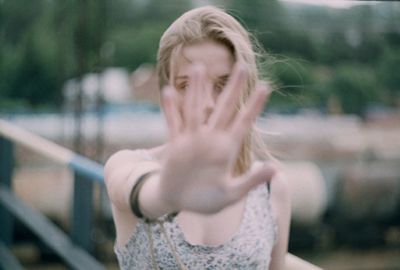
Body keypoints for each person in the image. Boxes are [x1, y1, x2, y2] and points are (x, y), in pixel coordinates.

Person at [105, 5, 291, 270]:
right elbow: (132, 187)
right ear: (165, 91)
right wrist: (166, 194)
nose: (207, 103)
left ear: (245, 89)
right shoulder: (127, 164)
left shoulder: (270, 187)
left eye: (223, 84)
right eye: (187, 85)